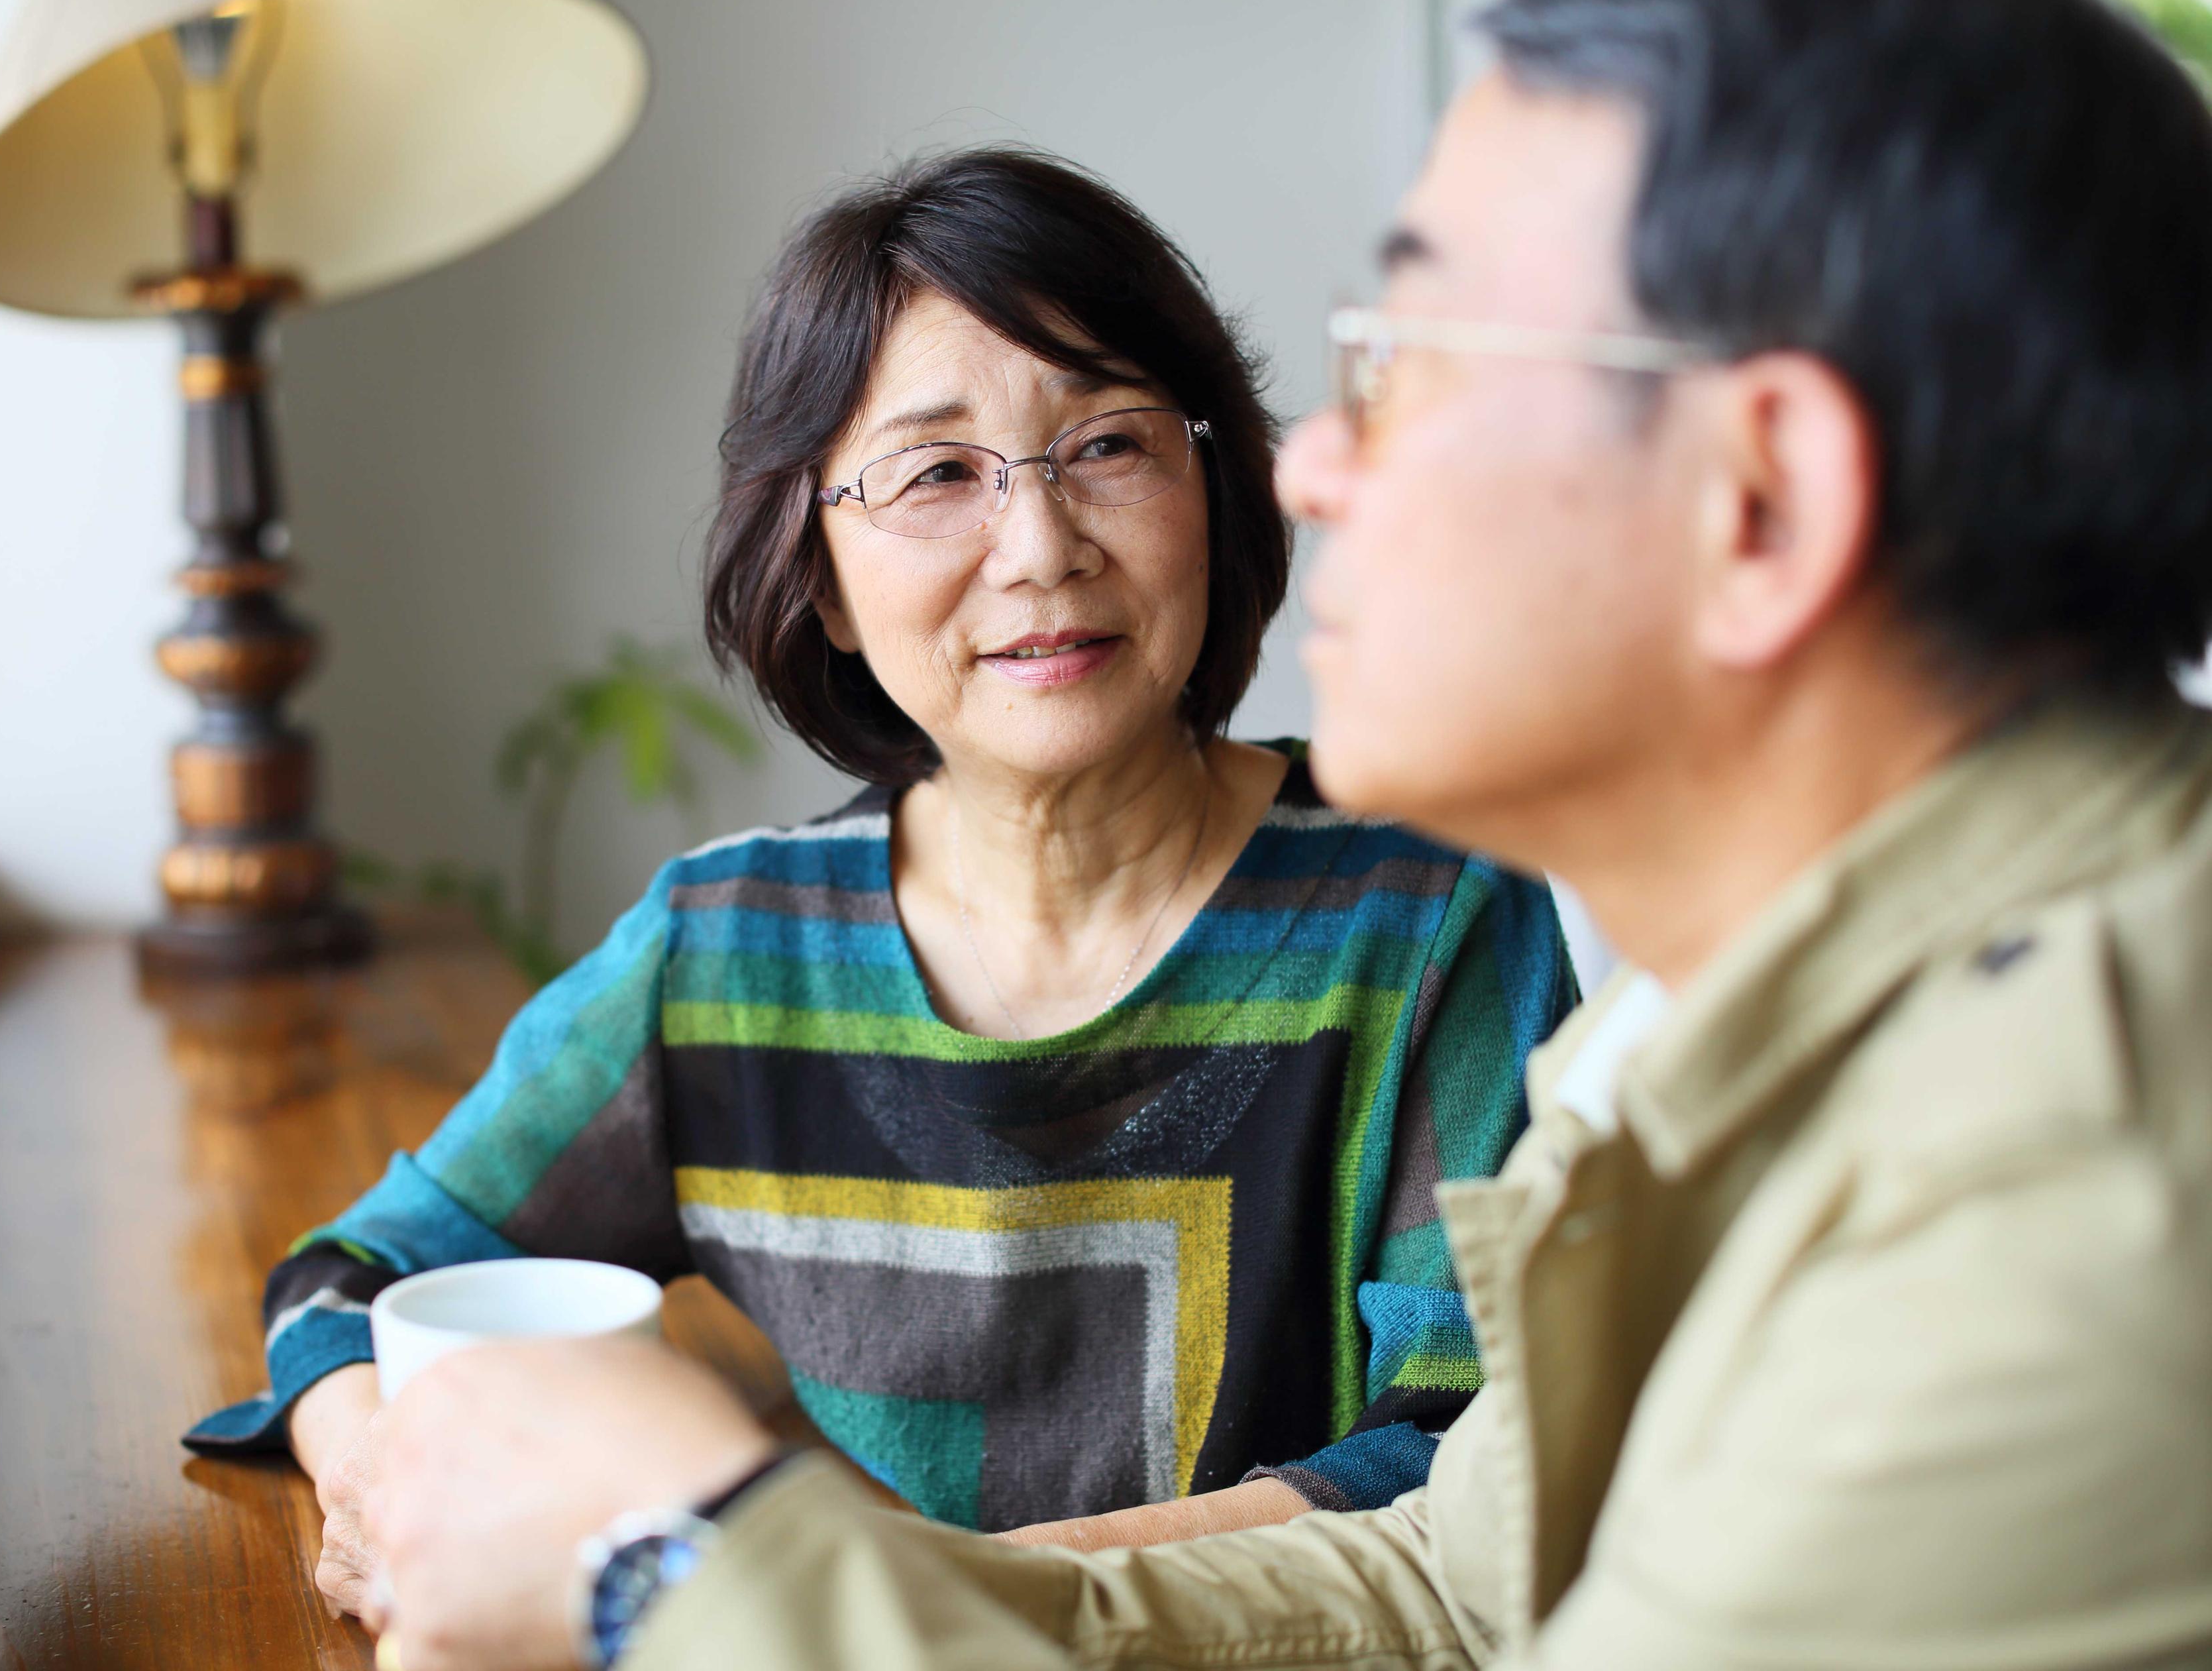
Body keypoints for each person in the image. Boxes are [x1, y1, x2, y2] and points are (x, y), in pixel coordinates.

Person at [351, 0, 2212, 1666]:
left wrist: (680, 1569)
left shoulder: (2071, 1208)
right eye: (933, 476)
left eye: (1416, 363)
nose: (1311, 467)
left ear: (1763, 503)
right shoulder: (1733, 1028)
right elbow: (1438, 1585)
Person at [184, 148, 1576, 1606]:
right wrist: (370, 1478)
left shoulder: (1434, 913)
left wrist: (902, 1599)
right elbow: (352, 1279)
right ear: (821, 580)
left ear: (1212, 486)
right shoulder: (728, 958)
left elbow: (1475, 1461)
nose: (1039, 546)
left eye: (1107, 442)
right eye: (938, 475)